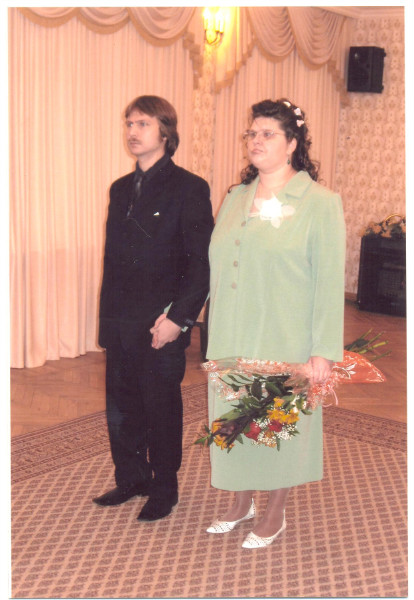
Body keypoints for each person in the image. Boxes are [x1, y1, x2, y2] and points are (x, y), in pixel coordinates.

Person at [205, 98, 345, 548]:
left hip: (285, 334)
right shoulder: (234, 198)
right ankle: (240, 501)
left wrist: (323, 351)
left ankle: (275, 511)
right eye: (252, 133)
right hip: (231, 333)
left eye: (268, 134)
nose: (256, 141)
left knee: (277, 424)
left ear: (292, 144)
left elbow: (329, 282)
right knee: (234, 418)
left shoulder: (319, 203)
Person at [94, 95, 214, 521]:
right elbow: (112, 262)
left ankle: (164, 487)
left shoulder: (189, 188)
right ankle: (132, 478)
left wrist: (179, 320)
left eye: (142, 123)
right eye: (129, 123)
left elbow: (200, 264)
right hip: (121, 322)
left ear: (165, 131)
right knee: (122, 408)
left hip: (162, 322)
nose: (132, 131)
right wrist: (107, 325)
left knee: (161, 409)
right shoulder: (119, 189)